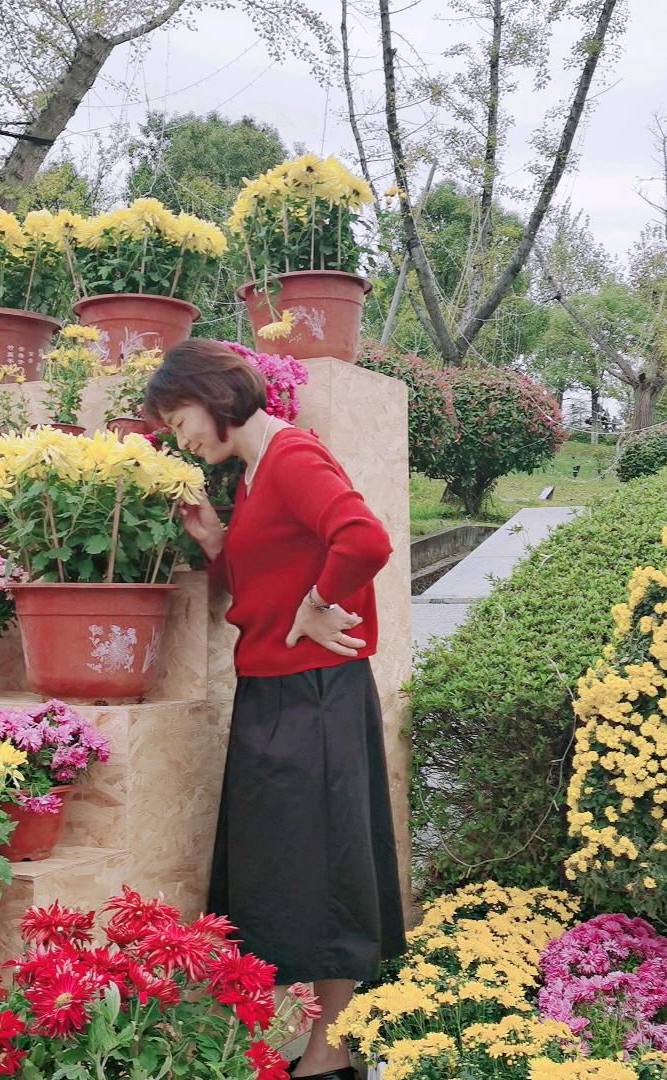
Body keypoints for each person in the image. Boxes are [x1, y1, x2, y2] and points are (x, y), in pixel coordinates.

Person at [144, 339, 407, 1080]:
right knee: (295, 868)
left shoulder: (292, 457)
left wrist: (319, 604)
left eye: (179, 417)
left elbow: (364, 538)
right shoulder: (256, 474)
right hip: (279, 693)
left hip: (316, 695)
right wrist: (218, 542)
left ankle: (335, 1051)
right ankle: (325, 1043)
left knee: (323, 870)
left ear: (215, 394)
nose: (180, 436)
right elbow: (267, 573)